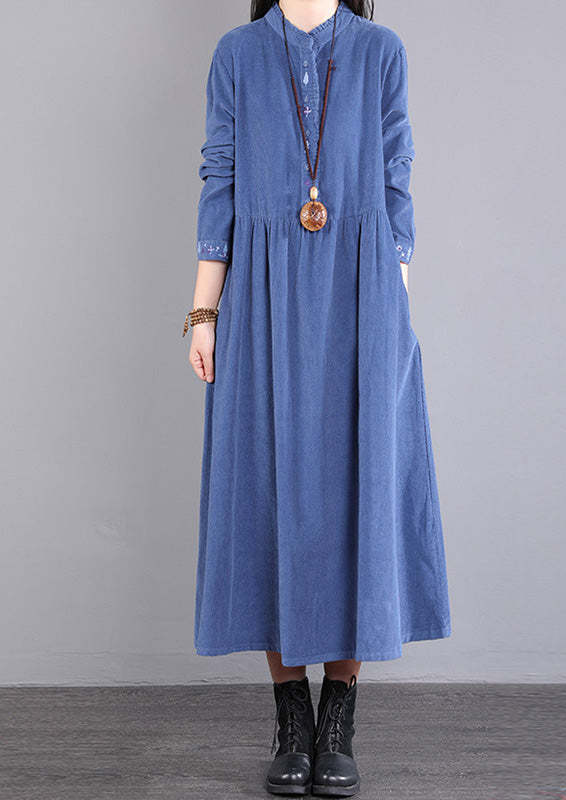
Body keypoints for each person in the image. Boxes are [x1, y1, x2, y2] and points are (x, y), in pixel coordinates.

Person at [184, 1, 451, 795]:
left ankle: (339, 717)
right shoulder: (237, 53)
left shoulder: (381, 51)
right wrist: (204, 313)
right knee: (268, 491)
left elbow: (397, 178)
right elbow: (220, 178)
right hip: (262, 296)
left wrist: (395, 309)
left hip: (364, 293)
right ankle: (289, 719)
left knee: (358, 492)